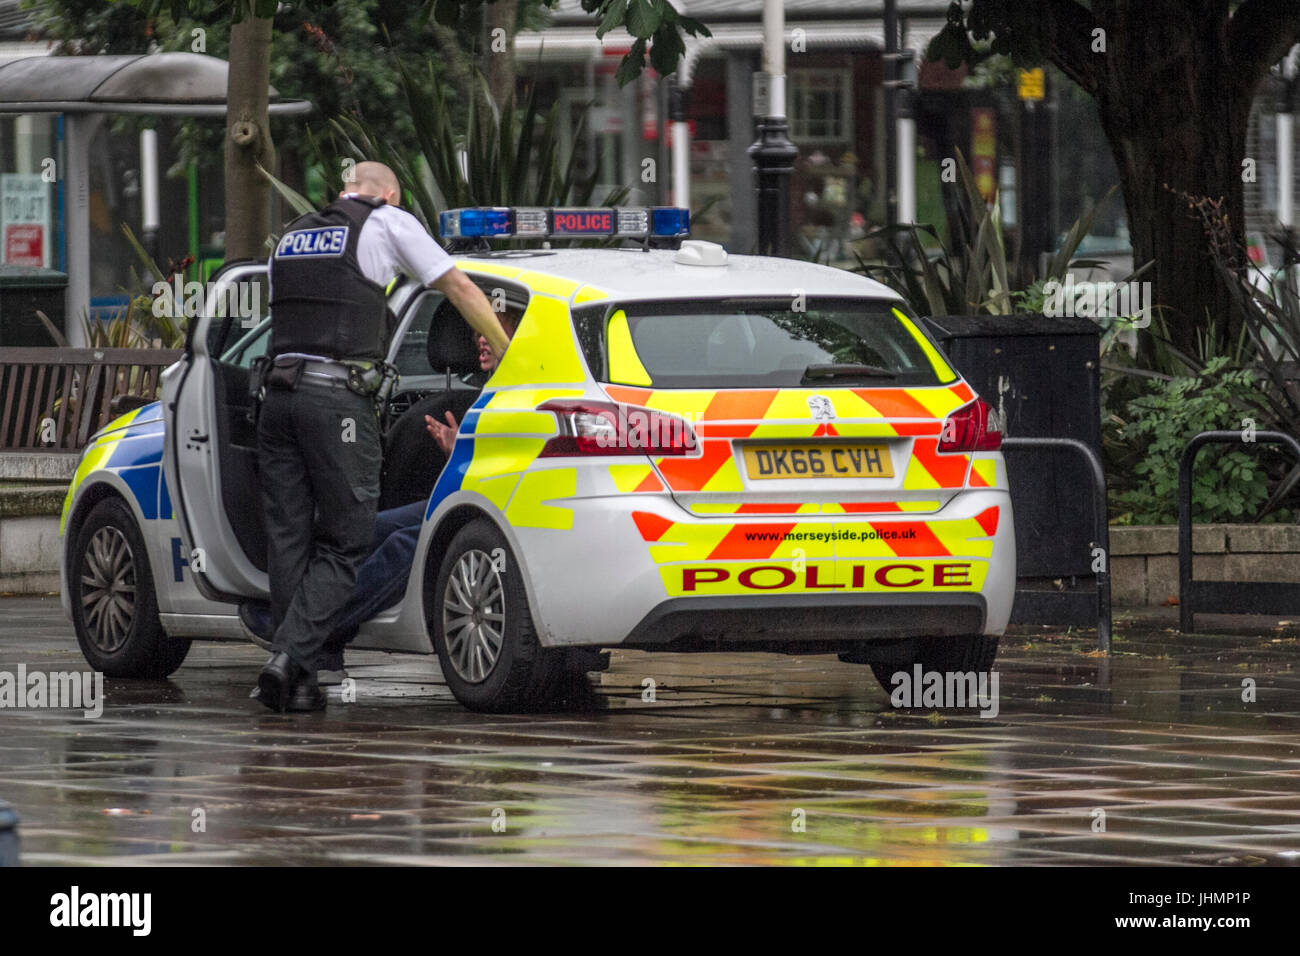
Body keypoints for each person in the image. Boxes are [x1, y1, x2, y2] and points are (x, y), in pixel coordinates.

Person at [251, 161, 508, 713]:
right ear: (389, 194)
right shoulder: (386, 221)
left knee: (290, 539)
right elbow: (457, 284)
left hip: (277, 399)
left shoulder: (293, 237)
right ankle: (288, 657)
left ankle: (298, 678)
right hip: (334, 401)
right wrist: (506, 348)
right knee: (347, 540)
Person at [241, 313, 517, 685]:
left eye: (495, 331)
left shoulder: (521, 394)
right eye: (478, 331)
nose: (481, 339)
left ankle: (303, 631)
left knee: (406, 545)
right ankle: (312, 634)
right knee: (369, 529)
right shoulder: (496, 388)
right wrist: (457, 452)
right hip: (475, 502)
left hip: (499, 514)